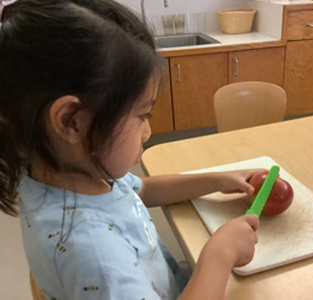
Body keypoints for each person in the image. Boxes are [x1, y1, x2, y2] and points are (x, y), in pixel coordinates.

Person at [0, 1, 260, 299]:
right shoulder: (93, 252)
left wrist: (217, 180)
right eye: (142, 115)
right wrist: (220, 255)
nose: (148, 131)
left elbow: (141, 189)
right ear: (72, 121)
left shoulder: (70, 174)